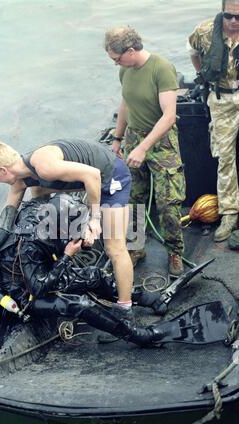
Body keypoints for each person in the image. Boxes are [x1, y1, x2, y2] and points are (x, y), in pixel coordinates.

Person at [0, 194, 168, 347]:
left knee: (95, 275)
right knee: (79, 305)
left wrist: (82, 239)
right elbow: (38, 289)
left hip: (43, 270)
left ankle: (141, 297)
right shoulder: (28, 247)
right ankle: (134, 335)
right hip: (26, 294)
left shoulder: (40, 215)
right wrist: (67, 256)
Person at [0, 138, 133, 319]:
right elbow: (7, 217)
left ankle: (125, 308)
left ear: (4, 170)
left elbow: (92, 175)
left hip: (110, 177)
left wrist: (94, 219)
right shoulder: (22, 179)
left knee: (114, 248)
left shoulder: (44, 166)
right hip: (87, 180)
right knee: (38, 196)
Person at [104, 26, 186, 277]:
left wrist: (143, 147)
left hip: (161, 144)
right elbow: (125, 104)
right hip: (134, 139)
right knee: (133, 198)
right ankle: (135, 247)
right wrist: (118, 139)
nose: (116, 63)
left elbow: (169, 116)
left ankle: (174, 251)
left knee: (167, 202)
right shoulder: (125, 71)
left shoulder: (161, 69)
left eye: (117, 58)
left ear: (130, 51)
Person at [188, 0, 239, 242]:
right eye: (228, 16)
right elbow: (194, 52)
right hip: (221, 99)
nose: (233, 22)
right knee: (225, 157)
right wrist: (203, 76)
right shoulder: (204, 32)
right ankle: (229, 212)